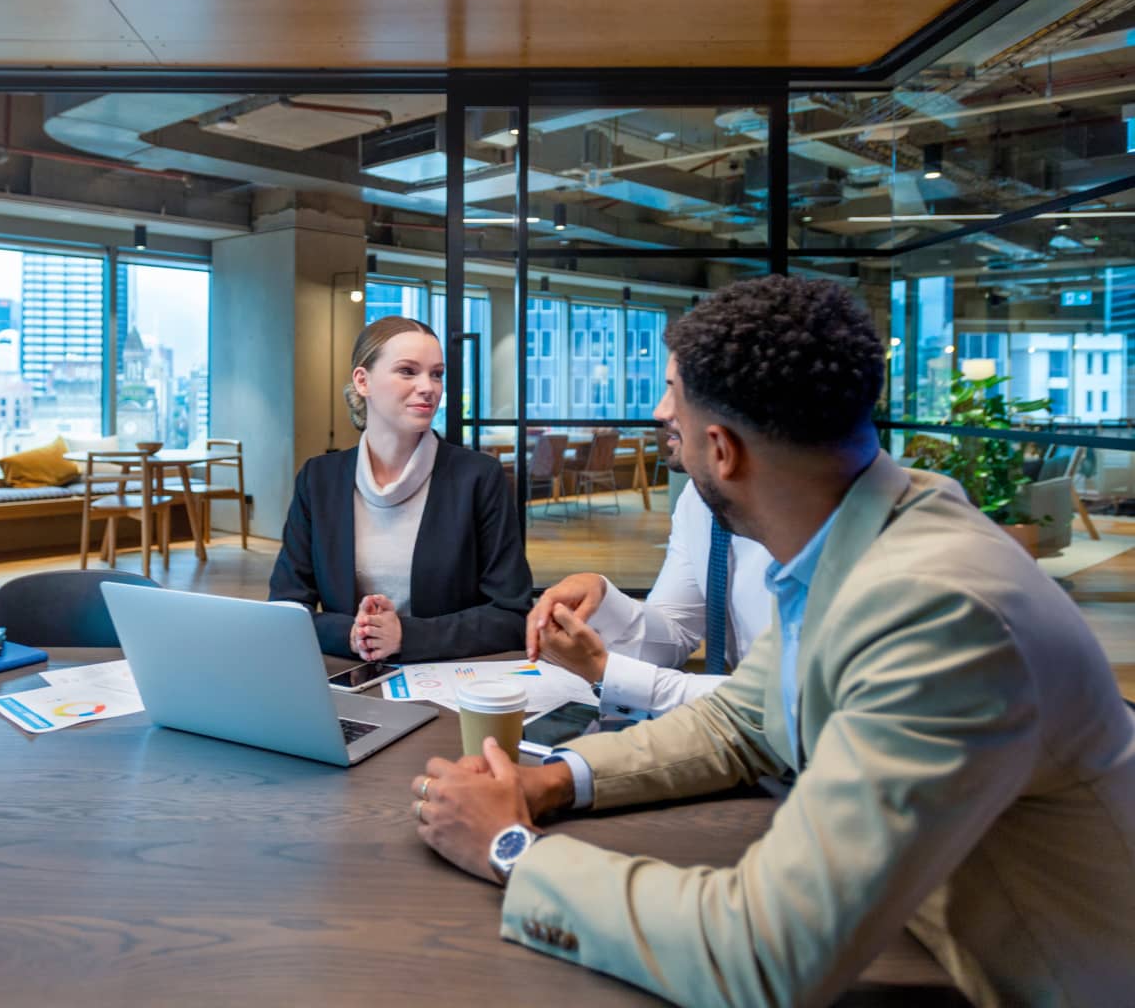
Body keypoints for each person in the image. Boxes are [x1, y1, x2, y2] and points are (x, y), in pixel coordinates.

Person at [406, 275, 1135, 1006]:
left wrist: (513, 850)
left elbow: (762, 954)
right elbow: (742, 718)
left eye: (672, 398)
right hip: (930, 943)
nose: (661, 414)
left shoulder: (938, 613)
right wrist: (552, 779)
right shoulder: (867, 530)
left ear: (721, 449)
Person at [269, 316, 531, 661]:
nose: (429, 387)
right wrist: (353, 635)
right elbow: (286, 610)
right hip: (346, 678)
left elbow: (511, 616)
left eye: (436, 374)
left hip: (451, 683)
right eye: (408, 371)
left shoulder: (479, 477)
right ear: (363, 381)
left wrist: (405, 636)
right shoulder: (318, 479)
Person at [528, 481, 773, 720]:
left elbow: (779, 702)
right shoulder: (697, 497)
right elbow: (677, 631)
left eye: (681, 435)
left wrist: (608, 673)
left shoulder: (799, 516)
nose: (663, 439)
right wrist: (602, 598)